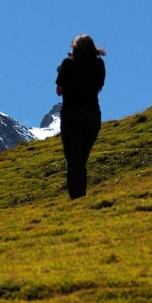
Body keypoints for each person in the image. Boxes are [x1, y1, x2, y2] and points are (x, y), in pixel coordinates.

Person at [55, 34, 106, 200]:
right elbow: (98, 87)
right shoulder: (99, 65)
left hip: (72, 115)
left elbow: (59, 91)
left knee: (73, 160)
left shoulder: (68, 64)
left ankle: (77, 198)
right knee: (82, 159)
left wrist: (63, 70)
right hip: (93, 115)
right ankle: (81, 196)